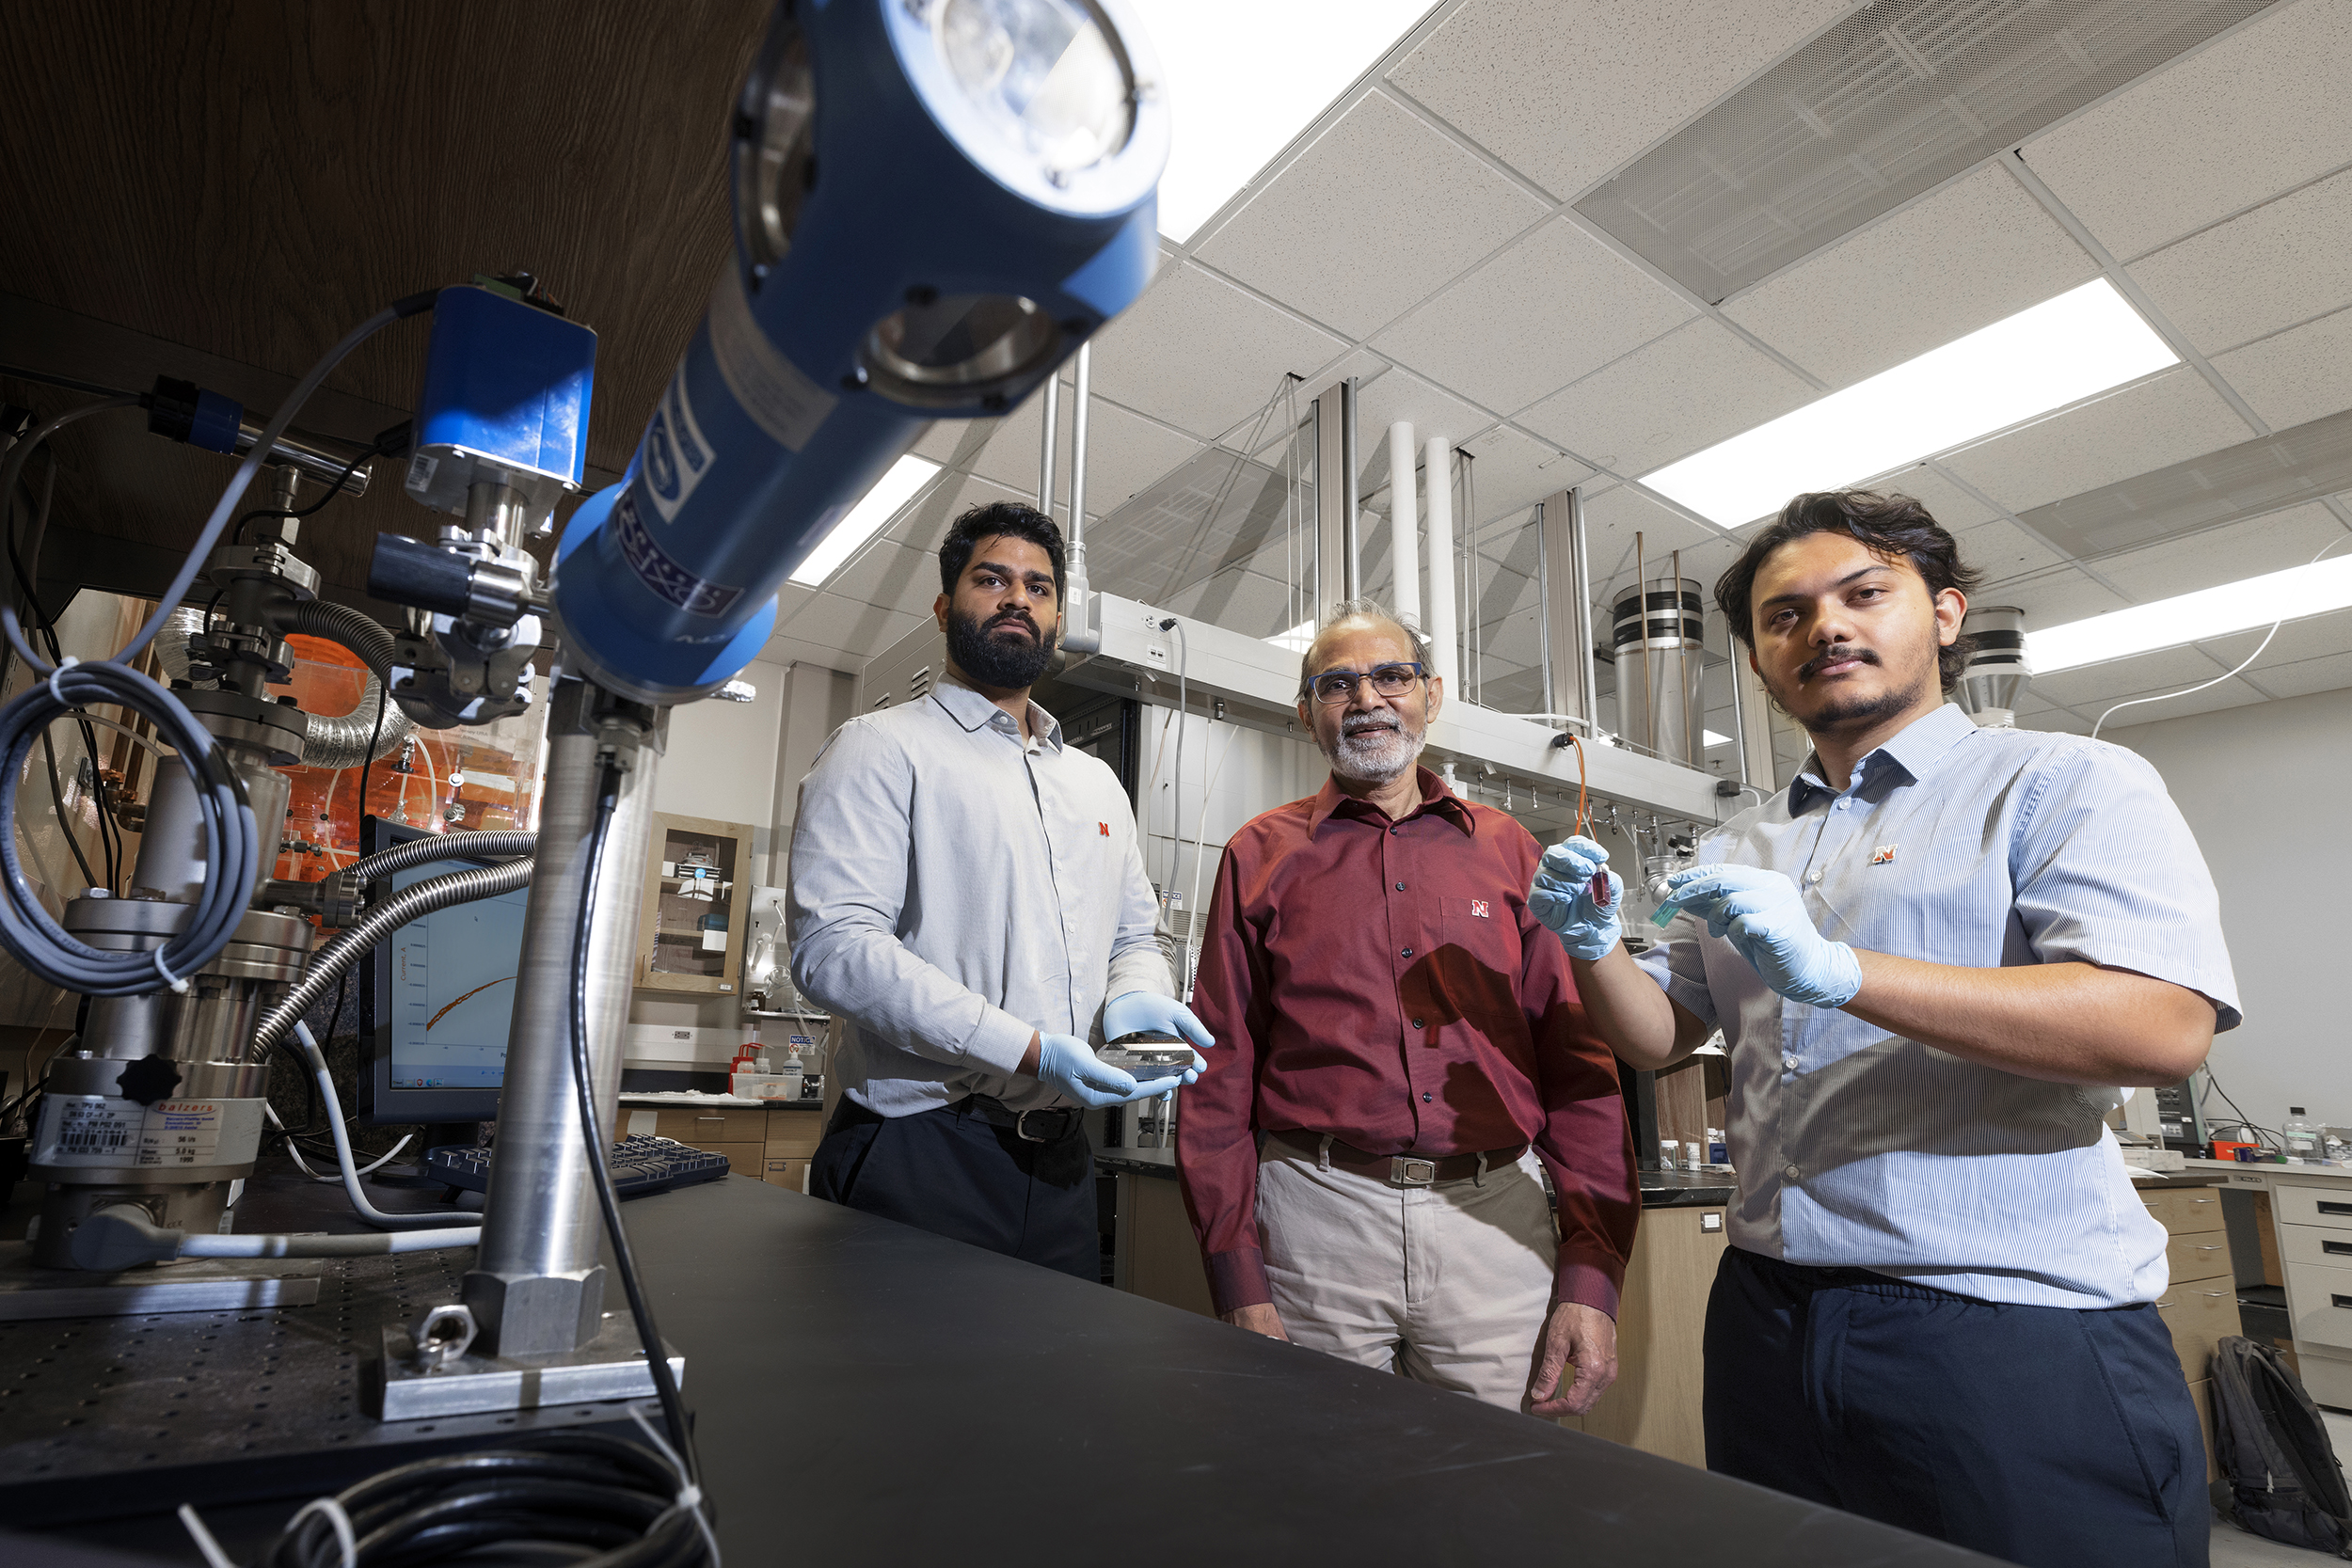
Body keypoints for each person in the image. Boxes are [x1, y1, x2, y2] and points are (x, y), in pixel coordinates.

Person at [1531, 490, 2237, 1564]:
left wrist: (1842, 971)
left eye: (1863, 593)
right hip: (1767, 1313)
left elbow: (2161, 1022)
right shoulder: (1739, 845)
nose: (1824, 627)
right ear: (1763, 663)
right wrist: (1590, 949)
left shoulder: (2057, 782)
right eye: (1784, 615)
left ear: (1943, 614)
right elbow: (1658, 1036)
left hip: (2007, 1329)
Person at [1179, 598, 1638, 1418]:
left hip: (1493, 1223)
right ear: (1307, 713)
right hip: (1316, 1219)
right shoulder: (1259, 854)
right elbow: (1218, 1071)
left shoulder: (1509, 851)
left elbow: (1576, 1061)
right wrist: (1237, 1276)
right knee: (1322, 1488)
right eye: (1337, 683)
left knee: (1501, 1493)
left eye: (1391, 675)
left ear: (1431, 695)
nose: (1367, 698)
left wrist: (1592, 1276)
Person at [788, 500, 1211, 1278]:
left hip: (1060, 1165)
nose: (1020, 597)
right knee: (900, 1397)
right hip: (921, 1147)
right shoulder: (881, 748)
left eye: (1040, 588)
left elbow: (1134, 938)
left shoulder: (1095, 785)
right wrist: (1029, 1049)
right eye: (994, 579)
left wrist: (1134, 994)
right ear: (947, 607)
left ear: (1053, 620)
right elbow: (834, 949)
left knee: (1047, 1397)